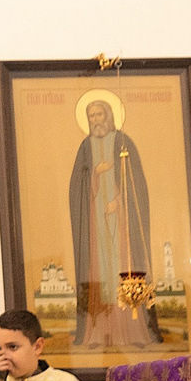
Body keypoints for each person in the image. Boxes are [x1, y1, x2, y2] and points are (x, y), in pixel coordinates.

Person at [68, 93, 155, 347]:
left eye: (99, 114)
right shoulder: (85, 147)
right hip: (96, 222)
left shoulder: (123, 141)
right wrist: (94, 173)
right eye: (91, 116)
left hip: (121, 221)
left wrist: (121, 201)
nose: (96, 120)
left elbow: (135, 181)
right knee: (98, 271)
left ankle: (132, 331)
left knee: (122, 266)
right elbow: (77, 186)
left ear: (109, 116)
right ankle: (97, 333)